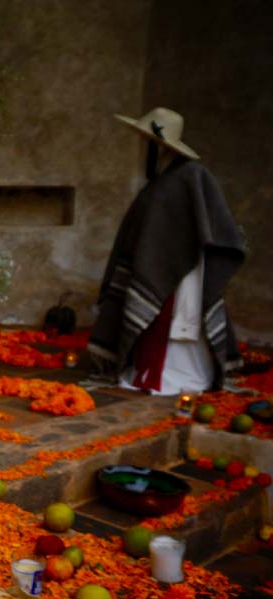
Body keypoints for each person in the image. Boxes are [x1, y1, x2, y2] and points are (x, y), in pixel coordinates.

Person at [88, 108, 246, 395]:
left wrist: (165, 259)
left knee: (172, 329)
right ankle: (149, 371)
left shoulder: (189, 177)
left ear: (157, 143)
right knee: (159, 328)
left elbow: (197, 231)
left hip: (179, 275)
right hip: (172, 271)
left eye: (148, 140)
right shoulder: (165, 179)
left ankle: (164, 376)